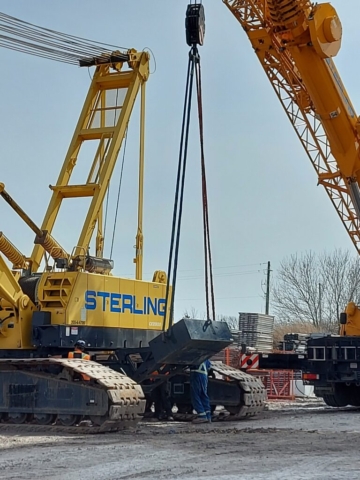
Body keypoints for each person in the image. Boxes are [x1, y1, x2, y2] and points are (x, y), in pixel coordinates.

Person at [190, 359, 212, 423]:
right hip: (204, 376)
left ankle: (201, 415)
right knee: (203, 395)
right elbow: (209, 366)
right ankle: (208, 416)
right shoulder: (206, 357)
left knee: (195, 395)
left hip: (196, 374)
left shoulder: (196, 355)